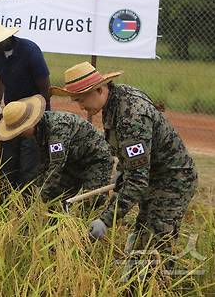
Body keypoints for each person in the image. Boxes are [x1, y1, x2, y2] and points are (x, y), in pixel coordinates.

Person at [51, 62, 197, 262]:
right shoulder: (114, 101)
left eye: (82, 99)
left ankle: (158, 286)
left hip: (172, 181)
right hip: (151, 176)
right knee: (143, 237)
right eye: (76, 101)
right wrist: (122, 170)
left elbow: (137, 181)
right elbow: (128, 153)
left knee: (156, 245)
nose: (81, 106)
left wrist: (105, 220)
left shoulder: (131, 117)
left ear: (100, 89)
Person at [0, 20, 51, 200]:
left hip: (34, 115)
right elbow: (1, 77)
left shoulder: (30, 51)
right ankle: (4, 208)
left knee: (28, 167)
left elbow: (45, 88)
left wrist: (39, 120)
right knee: (7, 164)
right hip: (12, 114)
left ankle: (24, 211)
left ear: (5, 38)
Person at [0, 94, 113, 208]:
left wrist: (40, 198)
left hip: (95, 160)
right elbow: (45, 165)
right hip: (72, 161)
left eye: (20, 131)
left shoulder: (57, 129)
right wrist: (35, 191)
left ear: (30, 123)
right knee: (56, 201)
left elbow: (56, 167)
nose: (19, 135)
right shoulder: (39, 131)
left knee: (91, 204)